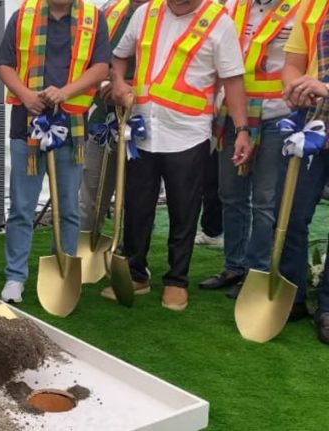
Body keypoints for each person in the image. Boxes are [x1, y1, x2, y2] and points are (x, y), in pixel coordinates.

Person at [109, 0, 251, 310]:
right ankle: (136, 273)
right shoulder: (145, 13)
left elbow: (233, 80)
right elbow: (119, 57)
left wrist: (241, 129)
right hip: (142, 129)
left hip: (188, 132)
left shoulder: (218, 22)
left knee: (184, 210)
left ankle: (176, 280)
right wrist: (119, 83)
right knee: (137, 205)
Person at [0, 0, 110, 303]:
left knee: (68, 207)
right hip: (27, 125)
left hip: (72, 128)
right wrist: (26, 95)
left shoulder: (94, 18)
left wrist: (66, 91)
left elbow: (101, 67)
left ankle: (63, 270)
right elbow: (4, 64)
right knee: (21, 206)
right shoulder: (23, 14)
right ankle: (15, 277)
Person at [199, 0, 298, 299]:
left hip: (277, 115)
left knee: (265, 200)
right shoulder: (232, 6)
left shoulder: (300, 8)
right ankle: (234, 265)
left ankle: (258, 270)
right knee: (230, 194)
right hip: (234, 112)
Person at [280, 0, 329, 345]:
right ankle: (291, 296)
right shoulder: (313, 6)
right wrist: (296, 87)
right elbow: (293, 64)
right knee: (293, 215)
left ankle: (327, 308)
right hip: (315, 128)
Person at [79, 0, 145, 235]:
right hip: (104, 119)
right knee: (92, 193)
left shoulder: (167, 14)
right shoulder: (109, 11)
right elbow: (89, 59)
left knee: (138, 196)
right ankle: (85, 252)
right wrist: (106, 84)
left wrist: (127, 90)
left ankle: (130, 255)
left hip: (145, 122)